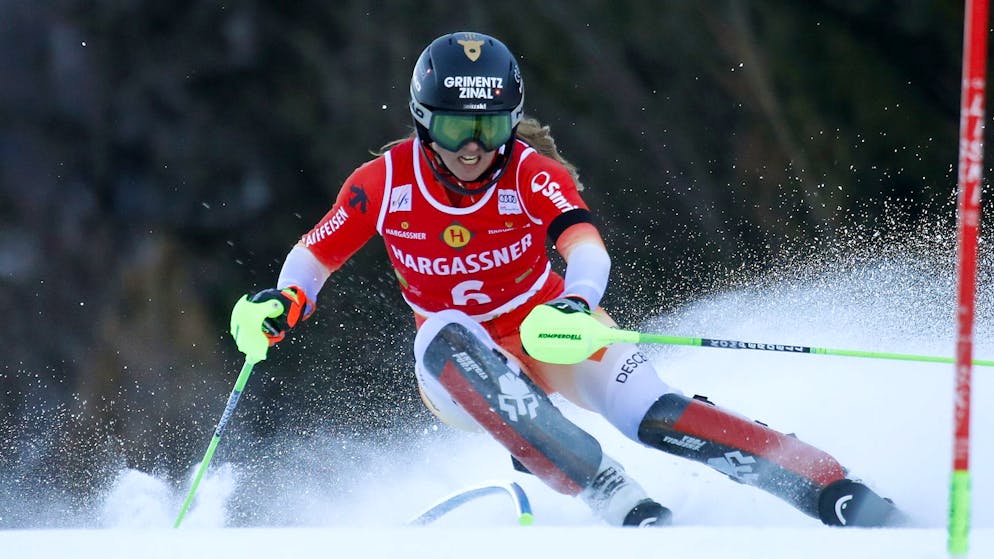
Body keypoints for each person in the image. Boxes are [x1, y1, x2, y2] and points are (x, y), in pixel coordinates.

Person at [240, 31, 899, 527]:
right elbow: (315, 253)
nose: (472, 147)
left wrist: (578, 303)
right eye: (453, 126)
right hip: (458, 367)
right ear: (421, 120)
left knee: (653, 415)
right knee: (442, 331)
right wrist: (286, 299)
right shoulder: (384, 183)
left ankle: (829, 485)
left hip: (549, 330)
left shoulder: (530, 173)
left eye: (489, 126)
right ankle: (607, 486)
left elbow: (585, 245)